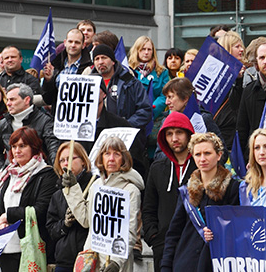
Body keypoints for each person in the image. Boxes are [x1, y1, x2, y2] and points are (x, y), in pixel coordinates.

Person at [63, 137, 145, 272]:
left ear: (123, 159)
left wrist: (116, 262)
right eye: (107, 154)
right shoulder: (96, 186)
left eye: (116, 154)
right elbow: (85, 221)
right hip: (92, 260)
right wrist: (72, 189)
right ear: (101, 158)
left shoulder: (131, 190)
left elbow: (129, 231)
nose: (111, 158)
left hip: (115, 263)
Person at [161, 132, 240, 271]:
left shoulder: (233, 188)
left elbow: (238, 229)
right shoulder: (186, 190)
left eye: (207, 153)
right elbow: (174, 232)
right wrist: (166, 266)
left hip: (217, 263)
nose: (202, 159)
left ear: (219, 155)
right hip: (186, 263)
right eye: (198, 154)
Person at [0, 127, 58, 270]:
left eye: (22, 146)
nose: (17, 151)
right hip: (4, 247)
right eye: (14, 146)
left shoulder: (46, 174)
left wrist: (8, 216)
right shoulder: (8, 173)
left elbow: (41, 210)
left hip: (29, 248)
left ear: (34, 147)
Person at [143, 112, 196, 272]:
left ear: (189, 134)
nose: (174, 138)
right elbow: (148, 208)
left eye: (179, 132)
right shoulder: (157, 168)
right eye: (169, 134)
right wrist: (154, 236)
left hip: (194, 246)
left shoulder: (201, 166)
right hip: (163, 246)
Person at [46, 142, 96, 272]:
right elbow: (51, 230)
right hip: (64, 260)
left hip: (88, 257)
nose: (65, 164)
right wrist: (65, 224)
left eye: (70, 158)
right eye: (62, 160)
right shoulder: (57, 194)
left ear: (84, 161)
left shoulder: (94, 187)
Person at [91, 44, 152, 139]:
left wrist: (125, 126)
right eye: (97, 59)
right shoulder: (87, 83)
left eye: (104, 58)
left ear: (113, 61)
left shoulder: (130, 82)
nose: (100, 62)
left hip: (125, 138)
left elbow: (145, 110)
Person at [0, 83, 60, 170]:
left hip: (38, 175)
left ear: (26, 100)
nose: (8, 103)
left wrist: (51, 170)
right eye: (7, 100)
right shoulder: (3, 123)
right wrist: (2, 169)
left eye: (12, 99)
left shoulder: (45, 121)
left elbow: (53, 149)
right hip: (10, 175)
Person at [42, 28, 93, 110]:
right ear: (65, 43)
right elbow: (48, 99)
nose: (73, 45)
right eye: (70, 41)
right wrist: (49, 80)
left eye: (77, 42)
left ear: (83, 45)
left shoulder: (90, 68)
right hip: (57, 117)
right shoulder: (56, 66)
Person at [128, 36, 170, 119]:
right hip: (133, 116)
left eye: (149, 49)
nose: (146, 52)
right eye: (143, 49)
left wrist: (151, 110)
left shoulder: (162, 72)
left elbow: (164, 95)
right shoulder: (128, 70)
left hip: (154, 116)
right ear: (137, 50)